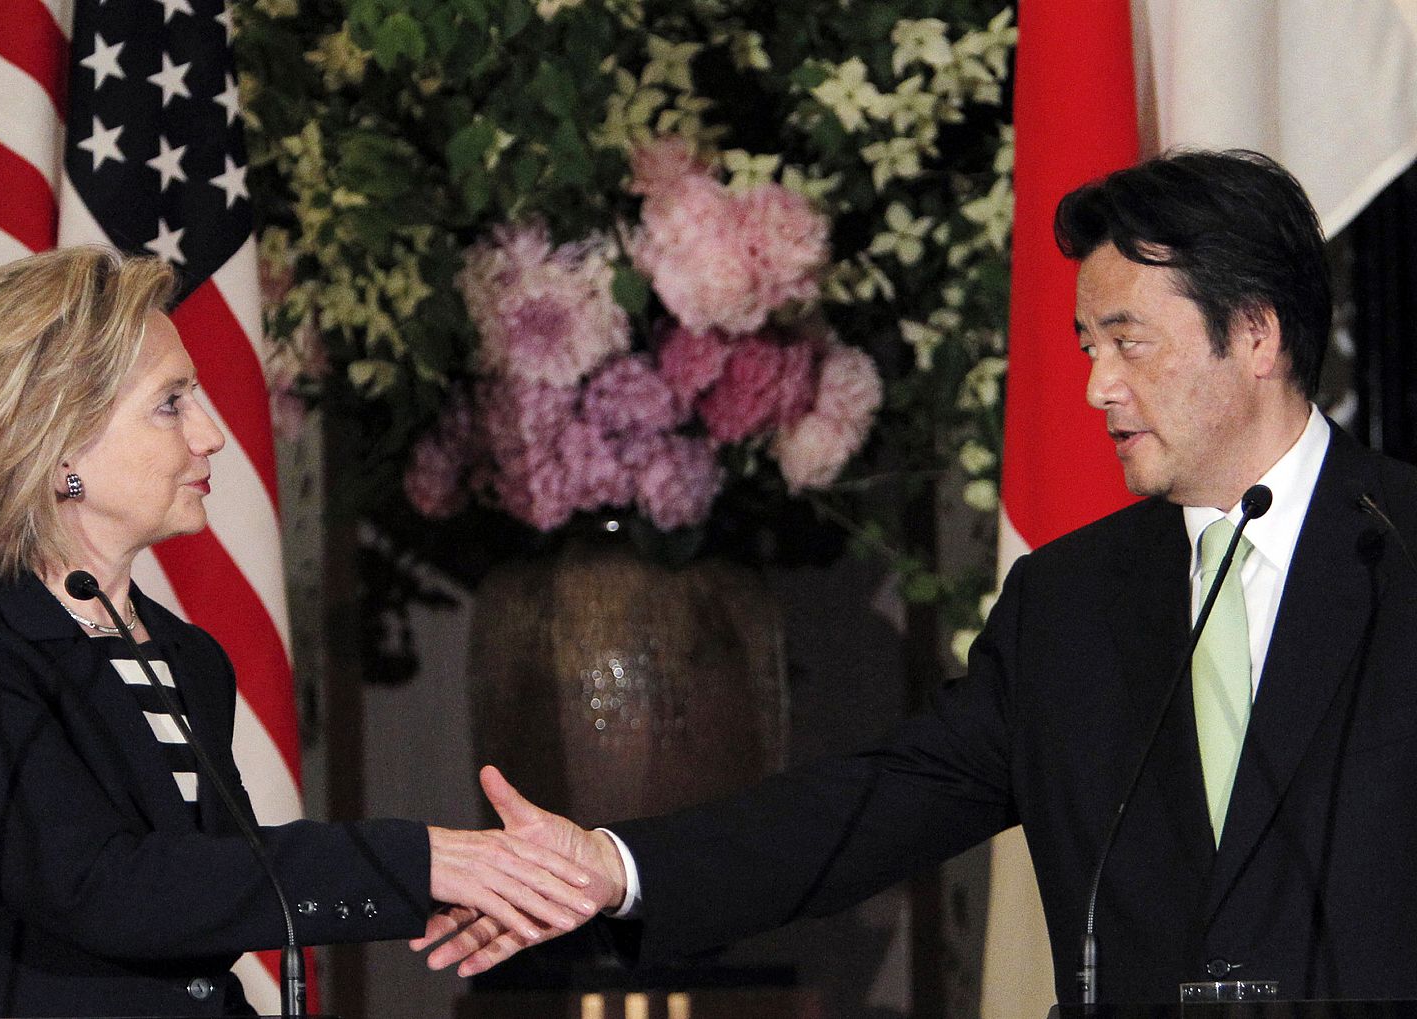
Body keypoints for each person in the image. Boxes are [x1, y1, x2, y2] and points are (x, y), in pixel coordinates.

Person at [414, 149, 1417, 1003]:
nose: (1095, 385)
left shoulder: (1401, 547)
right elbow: (872, 805)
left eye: (1128, 342)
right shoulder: (1069, 603)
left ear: (1253, 333)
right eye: (1084, 345)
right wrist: (614, 864)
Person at [0, 247, 606, 1017]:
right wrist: (415, 863)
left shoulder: (188, 658)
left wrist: (435, 882)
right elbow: (104, 891)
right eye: (171, 402)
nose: (211, 434)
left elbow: (210, 912)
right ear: (56, 451)